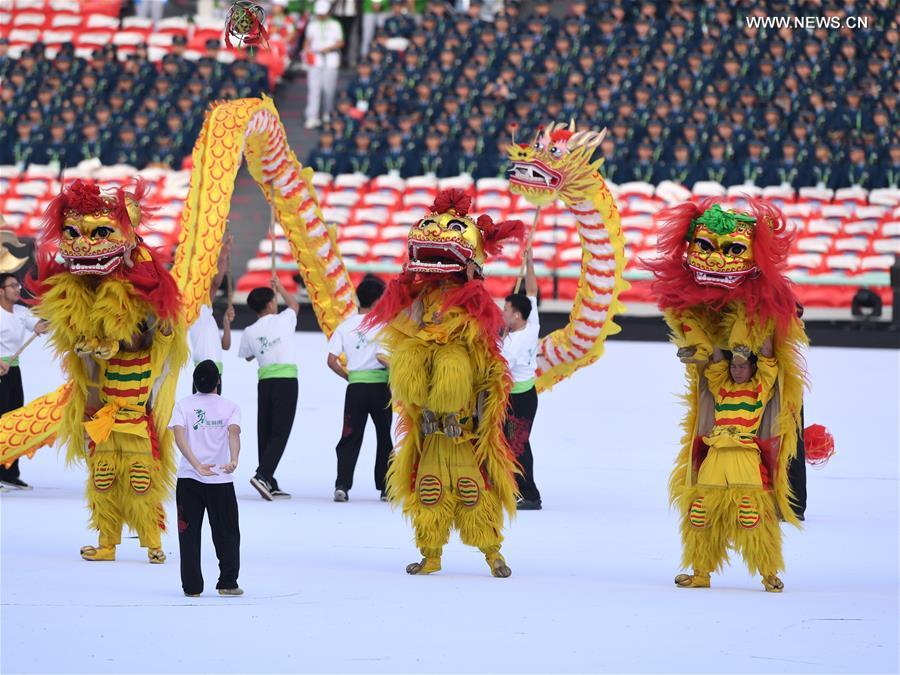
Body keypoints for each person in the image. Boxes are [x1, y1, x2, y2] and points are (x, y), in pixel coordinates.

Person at [675, 336, 786, 592]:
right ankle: (701, 574)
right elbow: (715, 357)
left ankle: (769, 574)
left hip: (744, 457)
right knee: (699, 514)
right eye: (734, 366)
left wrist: (768, 322)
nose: (737, 370)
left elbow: (769, 355)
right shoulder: (720, 387)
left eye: (742, 365)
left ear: (752, 367)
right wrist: (709, 326)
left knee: (751, 515)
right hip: (715, 457)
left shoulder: (761, 387)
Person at [170, 360, 243, 597]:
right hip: (221, 479)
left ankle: (191, 587)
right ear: (218, 382)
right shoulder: (231, 407)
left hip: (189, 479)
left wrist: (196, 464)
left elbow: (179, 436)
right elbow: (234, 432)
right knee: (227, 533)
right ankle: (228, 582)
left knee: (188, 534)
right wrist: (233, 459)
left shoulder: (183, 405)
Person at [326, 276, 392, 503]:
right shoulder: (385, 325)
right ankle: (385, 487)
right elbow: (387, 359)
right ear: (377, 301)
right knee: (384, 437)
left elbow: (331, 360)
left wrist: (350, 377)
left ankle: (342, 485)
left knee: (349, 436)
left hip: (355, 388)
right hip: (381, 388)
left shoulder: (345, 326)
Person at [238, 277, 299, 501]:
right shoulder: (284, 319)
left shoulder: (249, 330)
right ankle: (262, 474)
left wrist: (263, 346)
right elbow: (295, 305)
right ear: (272, 303)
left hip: (265, 382)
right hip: (286, 380)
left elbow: (247, 356)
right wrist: (281, 287)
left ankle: (269, 480)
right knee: (280, 431)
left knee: (265, 430)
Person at [0, 273, 49, 489]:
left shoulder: (20, 312)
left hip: (13, 370)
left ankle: (10, 472)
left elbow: (38, 324)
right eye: (12, 286)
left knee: (15, 418)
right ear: (1, 291)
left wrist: (43, 324)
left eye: (17, 285)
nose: (17, 289)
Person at [501, 251, 541, 510]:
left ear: (516, 315)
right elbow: (532, 292)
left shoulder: (514, 344)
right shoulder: (531, 323)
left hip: (518, 397)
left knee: (517, 444)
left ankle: (530, 495)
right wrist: (529, 263)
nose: (502, 313)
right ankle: (515, 489)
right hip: (526, 394)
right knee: (513, 442)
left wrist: (499, 338)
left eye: (506, 310)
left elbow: (499, 369)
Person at [188, 235, 235, 393]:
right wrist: (223, 255)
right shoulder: (197, 311)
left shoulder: (208, 314)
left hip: (217, 372)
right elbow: (215, 284)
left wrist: (226, 325)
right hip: (203, 371)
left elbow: (226, 346)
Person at [304, 1, 344, 129]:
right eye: (319, 14)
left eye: (323, 14)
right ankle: (312, 116)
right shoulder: (312, 24)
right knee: (313, 88)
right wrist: (306, 53)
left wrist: (328, 48)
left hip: (331, 58)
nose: (321, 16)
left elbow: (340, 42)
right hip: (315, 58)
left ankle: (328, 113)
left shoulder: (335, 24)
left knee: (329, 88)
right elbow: (307, 41)